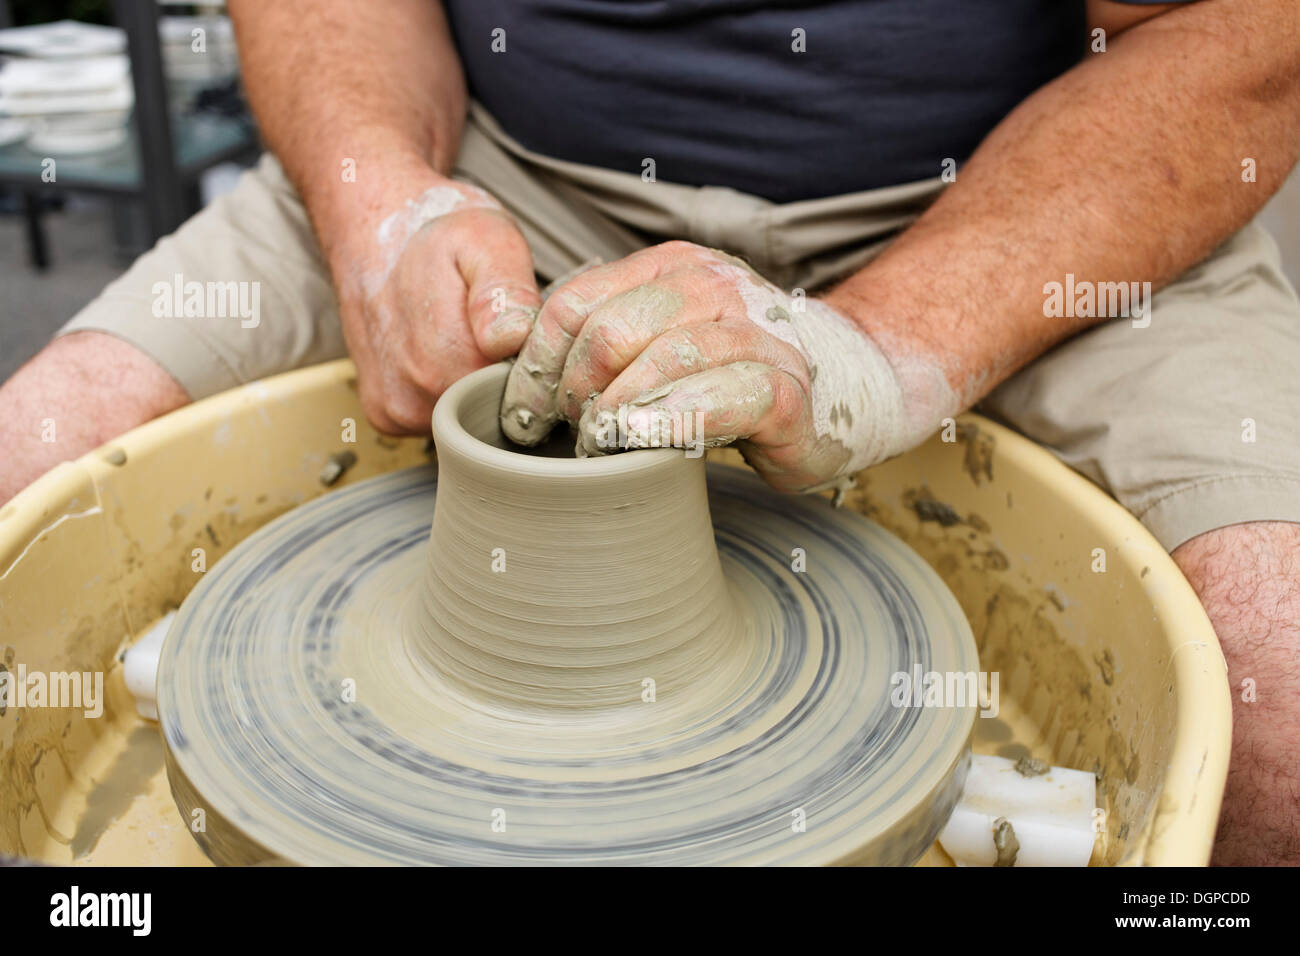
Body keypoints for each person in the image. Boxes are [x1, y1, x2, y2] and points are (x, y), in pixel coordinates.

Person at [1, 0, 1296, 864]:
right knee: (33, 460)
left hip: (1019, 194)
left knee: (1272, 728)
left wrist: (877, 350)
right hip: (503, 167)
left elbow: (1235, 26)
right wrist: (378, 200)